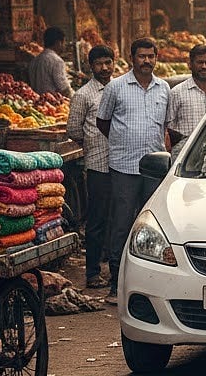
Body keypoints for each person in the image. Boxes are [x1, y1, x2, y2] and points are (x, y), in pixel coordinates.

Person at [96, 37, 171, 306]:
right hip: (124, 167)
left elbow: (166, 126)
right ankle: (116, 285)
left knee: (154, 227)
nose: (147, 61)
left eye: (151, 56)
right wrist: (122, 140)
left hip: (155, 170)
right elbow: (102, 122)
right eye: (142, 56)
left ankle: (151, 286)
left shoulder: (164, 88)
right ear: (132, 58)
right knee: (121, 225)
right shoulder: (116, 88)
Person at [67, 45, 115, 290]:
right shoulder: (84, 95)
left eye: (108, 62)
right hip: (97, 163)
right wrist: (93, 143)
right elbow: (74, 130)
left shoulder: (120, 89)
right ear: (91, 67)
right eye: (99, 64)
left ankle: (117, 272)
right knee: (96, 220)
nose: (104, 68)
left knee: (119, 219)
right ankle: (93, 272)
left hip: (123, 163)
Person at [168, 44, 206, 162]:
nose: (204, 66)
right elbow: (168, 128)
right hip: (185, 159)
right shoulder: (177, 93)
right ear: (190, 64)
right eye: (199, 62)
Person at [28, 27, 73, 96]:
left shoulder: (34, 60)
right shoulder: (57, 61)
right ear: (58, 43)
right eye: (63, 42)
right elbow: (64, 88)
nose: (64, 45)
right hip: (53, 103)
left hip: (37, 102)